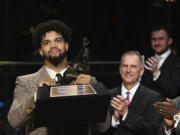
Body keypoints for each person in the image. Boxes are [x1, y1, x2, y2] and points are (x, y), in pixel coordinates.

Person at [7, 20, 110, 135]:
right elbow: (14, 121)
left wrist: (93, 90)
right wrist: (37, 95)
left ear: (66, 46)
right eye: (46, 42)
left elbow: (103, 127)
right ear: (41, 51)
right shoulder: (26, 82)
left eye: (58, 40)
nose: (53, 45)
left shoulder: (88, 81)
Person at [106, 51, 163, 135]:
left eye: (133, 67)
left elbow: (152, 131)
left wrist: (126, 114)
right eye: (125, 66)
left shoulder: (154, 97)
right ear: (120, 69)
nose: (128, 70)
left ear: (141, 71)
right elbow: (98, 130)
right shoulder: (108, 95)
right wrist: (114, 119)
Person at [141, 24, 180, 98]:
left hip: (165, 108)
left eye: (161, 39)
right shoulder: (145, 59)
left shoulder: (177, 62)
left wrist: (156, 73)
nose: (157, 43)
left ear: (169, 41)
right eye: (154, 39)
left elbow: (173, 91)